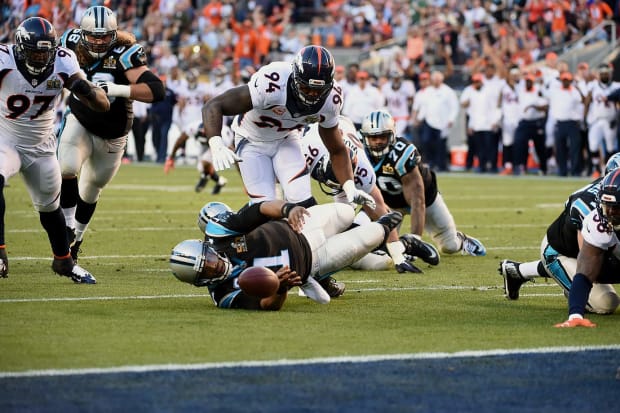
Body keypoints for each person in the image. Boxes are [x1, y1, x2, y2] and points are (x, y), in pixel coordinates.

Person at [0, 17, 109, 283]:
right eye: (35, 51)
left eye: (45, 51)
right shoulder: (4, 59)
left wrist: (87, 90)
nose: (41, 57)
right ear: (21, 48)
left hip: (42, 146)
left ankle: (64, 263)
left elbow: (102, 105)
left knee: (50, 210)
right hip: (6, 139)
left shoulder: (63, 60)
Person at [200, 45, 375, 210]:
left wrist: (349, 185)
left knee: (301, 200)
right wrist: (216, 144)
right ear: (296, 78)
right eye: (307, 88)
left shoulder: (331, 100)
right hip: (251, 140)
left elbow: (336, 149)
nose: (313, 95)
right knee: (265, 207)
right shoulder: (273, 81)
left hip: (286, 139)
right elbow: (213, 106)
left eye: (319, 90)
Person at [58, 6, 165, 263]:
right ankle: (68, 227)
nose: (97, 41)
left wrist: (118, 89)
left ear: (114, 34)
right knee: (67, 166)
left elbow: (156, 90)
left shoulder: (125, 53)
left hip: (113, 133)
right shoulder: (69, 42)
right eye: (92, 35)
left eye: (104, 36)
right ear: (82, 33)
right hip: (80, 120)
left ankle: (77, 240)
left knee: (92, 188)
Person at [170, 200, 403, 310]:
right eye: (207, 270)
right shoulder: (224, 295)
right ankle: (383, 228)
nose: (215, 266)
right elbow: (266, 305)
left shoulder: (219, 234)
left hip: (300, 226)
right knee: (375, 234)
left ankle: (364, 225)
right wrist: (280, 287)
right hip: (310, 264)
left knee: (344, 211)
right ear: (201, 283)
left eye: (209, 259)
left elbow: (259, 209)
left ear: (207, 247)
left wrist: (288, 209)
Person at [302, 116, 438, 273]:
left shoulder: (363, 171)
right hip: (318, 130)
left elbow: (381, 210)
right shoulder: (305, 152)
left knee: (377, 260)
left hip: (345, 144)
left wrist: (398, 257)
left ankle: (404, 244)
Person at [498, 153, 620, 314]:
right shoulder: (591, 209)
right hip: (560, 250)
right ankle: (568, 284)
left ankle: (518, 271)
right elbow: (590, 264)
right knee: (605, 303)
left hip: (592, 251)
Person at [360, 109, 487, 256]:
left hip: (425, 199)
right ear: (365, 138)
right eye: (373, 138)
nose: (378, 142)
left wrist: (415, 241)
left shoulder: (402, 154)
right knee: (381, 250)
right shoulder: (361, 155)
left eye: (383, 136)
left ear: (392, 135)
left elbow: (417, 201)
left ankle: (462, 240)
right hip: (390, 204)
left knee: (449, 246)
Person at [554, 170, 620, 327]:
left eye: (616, 208)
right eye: (606, 206)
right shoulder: (598, 223)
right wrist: (575, 315)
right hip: (561, 247)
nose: (609, 213)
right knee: (604, 301)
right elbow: (585, 272)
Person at [165, 122, 231, 194]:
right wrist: (171, 157)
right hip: (207, 143)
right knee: (201, 167)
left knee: (205, 161)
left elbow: (233, 150)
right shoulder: (193, 128)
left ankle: (205, 177)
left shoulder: (222, 135)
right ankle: (219, 181)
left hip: (219, 142)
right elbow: (180, 140)